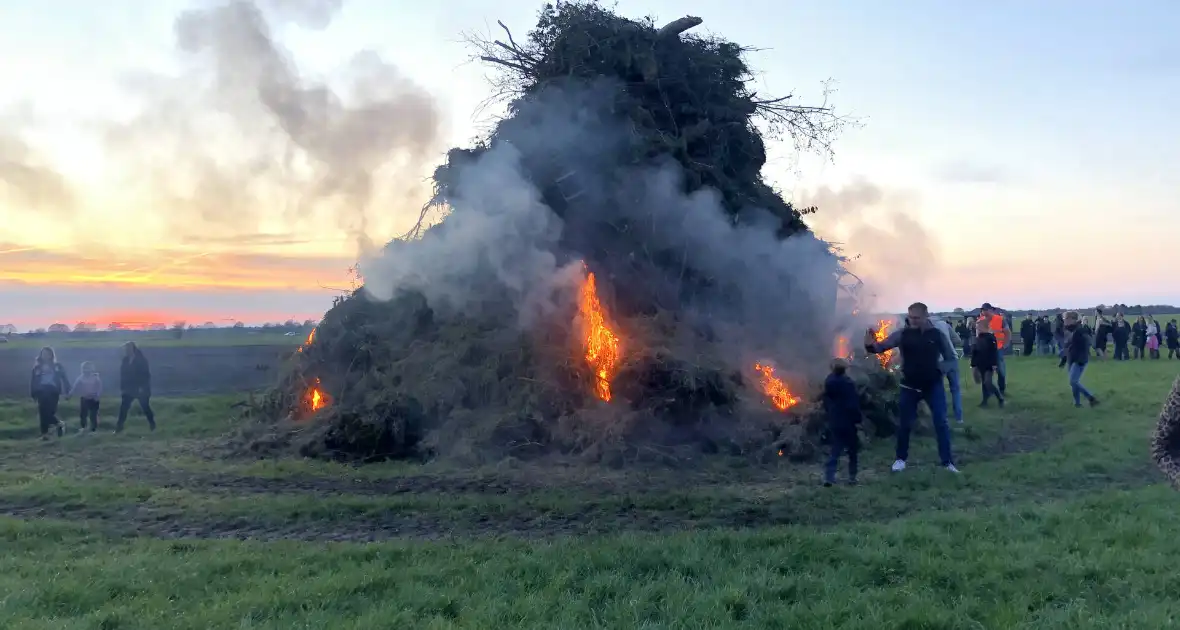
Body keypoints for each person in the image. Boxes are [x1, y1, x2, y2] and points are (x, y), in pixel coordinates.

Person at [864, 302, 959, 473]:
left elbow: (952, 358)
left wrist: (940, 369)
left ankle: (947, 462)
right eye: (910, 317)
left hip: (933, 385)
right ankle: (900, 459)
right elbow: (879, 348)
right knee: (904, 424)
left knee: (941, 423)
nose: (913, 321)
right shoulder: (902, 335)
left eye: (917, 318)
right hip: (909, 386)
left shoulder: (937, 335)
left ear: (926, 316)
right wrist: (869, 344)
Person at [822, 358, 862, 486]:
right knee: (852, 451)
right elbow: (853, 405)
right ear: (845, 369)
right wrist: (858, 419)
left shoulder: (829, 382)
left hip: (835, 420)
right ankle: (852, 477)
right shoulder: (848, 384)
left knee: (835, 449)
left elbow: (826, 403)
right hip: (848, 422)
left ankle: (829, 477)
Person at [29, 347, 70, 439]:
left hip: (53, 390)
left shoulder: (57, 366)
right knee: (42, 412)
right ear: (41, 355)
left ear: (51, 355)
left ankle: (58, 424)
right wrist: (33, 393)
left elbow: (64, 378)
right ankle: (45, 434)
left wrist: (67, 391)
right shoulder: (37, 367)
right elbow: (33, 381)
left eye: (48, 354)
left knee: (50, 412)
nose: (45, 356)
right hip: (41, 391)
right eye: (43, 354)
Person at [116, 342, 157, 433]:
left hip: (140, 389)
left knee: (145, 407)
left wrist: (142, 387)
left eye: (127, 349)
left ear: (132, 349)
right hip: (128, 389)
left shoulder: (141, 360)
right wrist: (122, 387)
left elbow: (146, 375)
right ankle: (119, 428)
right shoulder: (125, 360)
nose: (125, 351)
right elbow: (123, 375)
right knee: (123, 409)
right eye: (125, 349)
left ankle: (152, 425)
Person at [1064, 311, 1100, 408]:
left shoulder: (1080, 330)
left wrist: (1095, 349)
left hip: (1079, 360)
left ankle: (1091, 398)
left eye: (1066, 319)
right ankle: (1077, 403)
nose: (1065, 321)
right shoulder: (1069, 330)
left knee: (1073, 381)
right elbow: (1068, 345)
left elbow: (1088, 341)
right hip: (1071, 359)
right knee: (1074, 383)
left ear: (1073, 319)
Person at [931, 315, 964, 423]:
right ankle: (959, 417)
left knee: (939, 390)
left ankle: (943, 416)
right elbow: (958, 340)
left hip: (938, 361)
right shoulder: (944, 324)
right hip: (952, 358)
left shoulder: (925, 327)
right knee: (955, 389)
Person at [970, 319, 1003, 407]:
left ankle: (1000, 398)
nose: (977, 328)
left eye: (979, 326)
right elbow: (974, 352)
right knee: (984, 384)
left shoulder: (991, 338)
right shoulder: (978, 339)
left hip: (989, 364)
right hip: (980, 364)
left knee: (987, 382)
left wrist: (994, 365)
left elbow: (993, 352)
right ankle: (984, 401)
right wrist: (973, 365)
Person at [979, 303, 1010, 395]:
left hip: (998, 349)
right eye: (983, 310)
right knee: (986, 372)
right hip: (986, 351)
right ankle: (987, 393)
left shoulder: (1000, 319)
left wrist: (1005, 345)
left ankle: (1002, 390)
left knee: (1000, 370)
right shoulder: (980, 320)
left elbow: (1007, 332)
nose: (984, 312)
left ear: (991, 310)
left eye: (986, 310)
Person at [69, 361, 103, 433]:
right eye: (84, 368)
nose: (86, 370)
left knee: (93, 415)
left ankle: (93, 430)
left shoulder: (95, 377)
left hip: (94, 399)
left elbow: (99, 387)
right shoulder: (80, 378)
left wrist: (97, 395)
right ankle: (83, 427)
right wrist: (70, 394)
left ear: (91, 369)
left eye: (88, 368)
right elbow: (75, 387)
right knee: (83, 415)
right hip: (84, 399)